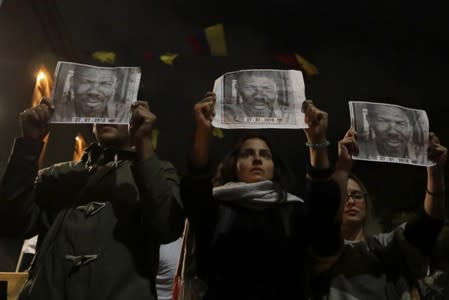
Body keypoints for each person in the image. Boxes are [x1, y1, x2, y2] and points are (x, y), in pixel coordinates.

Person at [0, 98, 184, 299]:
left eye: (119, 107)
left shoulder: (158, 173)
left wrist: (145, 146)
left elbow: (166, 227)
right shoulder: (57, 175)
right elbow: (13, 224)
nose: (108, 113)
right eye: (100, 107)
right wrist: (29, 144)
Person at [179, 92, 345, 299]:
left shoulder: (291, 209)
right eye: (247, 154)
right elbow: (195, 186)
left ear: (274, 167)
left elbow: (324, 219)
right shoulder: (216, 208)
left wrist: (317, 139)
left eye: (265, 155)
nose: (257, 159)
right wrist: (203, 132)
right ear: (234, 165)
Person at [310, 129, 447, 299]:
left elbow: (428, 226)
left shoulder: (387, 246)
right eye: (344, 196)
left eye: (357, 195)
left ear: (367, 205)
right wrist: (342, 169)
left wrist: (435, 171)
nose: (351, 201)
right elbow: (325, 223)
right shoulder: (319, 253)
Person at [53, 66, 129, 122]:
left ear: (115, 86)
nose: (94, 92)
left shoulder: (124, 114)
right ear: (72, 82)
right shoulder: (55, 113)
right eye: (86, 82)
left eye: (105, 84)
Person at [359, 104, 425, 163]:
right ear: (370, 120)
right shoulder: (358, 152)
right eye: (383, 121)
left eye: (401, 123)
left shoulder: (424, 156)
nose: (392, 132)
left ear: (411, 126)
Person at [223, 71, 292, 123]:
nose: (259, 96)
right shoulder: (226, 116)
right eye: (250, 88)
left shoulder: (290, 116)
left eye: (266, 88)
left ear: (276, 90)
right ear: (238, 89)